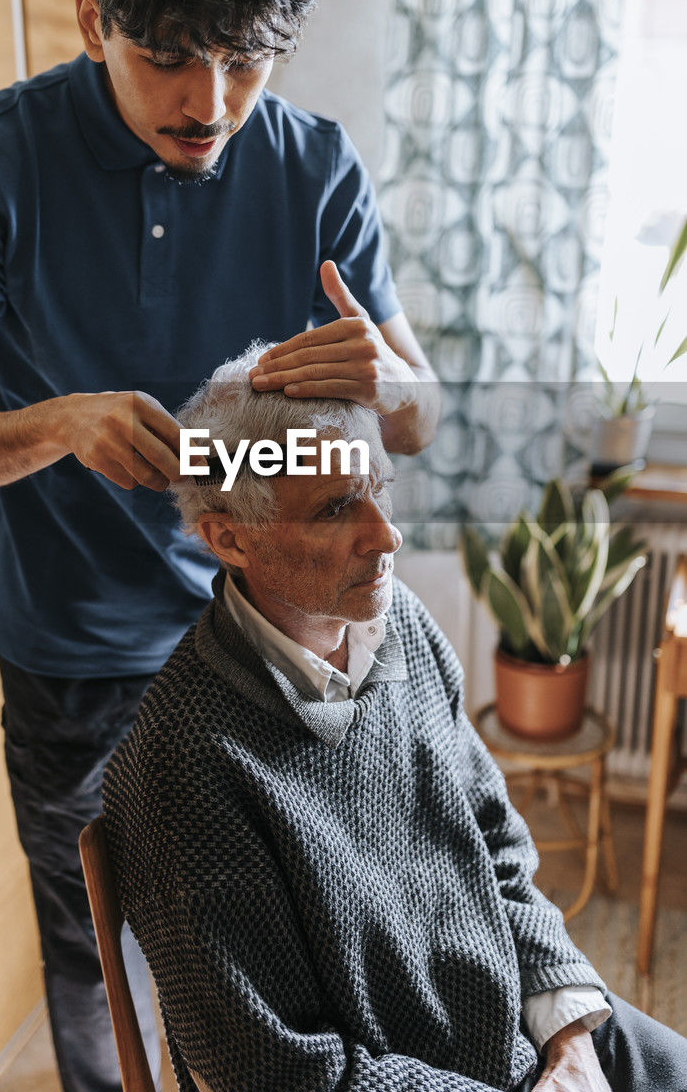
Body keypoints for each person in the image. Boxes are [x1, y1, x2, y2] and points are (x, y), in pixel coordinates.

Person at [0, 0, 439, 1090]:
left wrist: (387, 380)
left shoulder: (313, 166)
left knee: (286, 960)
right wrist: (60, 423)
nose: (209, 103)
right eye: (168, 56)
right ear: (92, 19)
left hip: (266, 637)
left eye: (245, 60)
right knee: (97, 966)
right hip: (74, 659)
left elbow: (419, 414)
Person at [103, 344, 687, 1092]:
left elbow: (497, 842)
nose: (386, 536)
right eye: (336, 507)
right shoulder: (182, 763)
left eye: (379, 487)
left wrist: (570, 1039)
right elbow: (273, 1072)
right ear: (228, 536)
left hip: (524, 1037)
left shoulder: (400, 625)